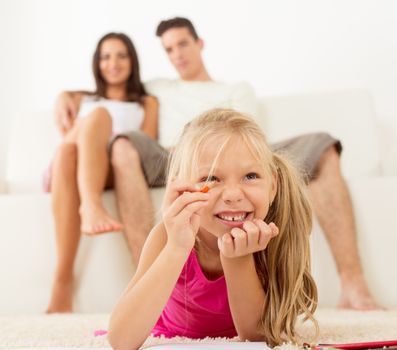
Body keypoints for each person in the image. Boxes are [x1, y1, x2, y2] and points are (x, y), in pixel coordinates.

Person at [55, 18, 381, 310]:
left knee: (322, 144)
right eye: (168, 49)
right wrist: (67, 95)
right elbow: (112, 86)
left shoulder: (236, 90)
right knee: (123, 143)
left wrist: (241, 166)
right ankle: (149, 285)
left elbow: (249, 144)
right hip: (174, 155)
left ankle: (353, 283)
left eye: (182, 44)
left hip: (237, 153)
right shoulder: (157, 89)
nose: (177, 54)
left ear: (199, 44)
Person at [108, 109, 319, 348]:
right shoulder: (165, 238)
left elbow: (258, 339)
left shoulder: (277, 235)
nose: (232, 195)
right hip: (170, 334)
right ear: (182, 188)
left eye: (250, 176)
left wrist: (237, 258)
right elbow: (121, 341)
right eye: (210, 178)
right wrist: (177, 248)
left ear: (273, 186)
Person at [46, 32, 158, 313]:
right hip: (70, 164)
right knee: (70, 147)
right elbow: (67, 139)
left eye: (121, 55)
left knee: (99, 117)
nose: (113, 63)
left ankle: (91, 205)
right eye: (105, 57)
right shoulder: (83, 99)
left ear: (132, 60)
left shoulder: (146, 102)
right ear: (97, 63)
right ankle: (63, 278)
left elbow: (144, 144)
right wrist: (66, 98)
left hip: (113, 166)